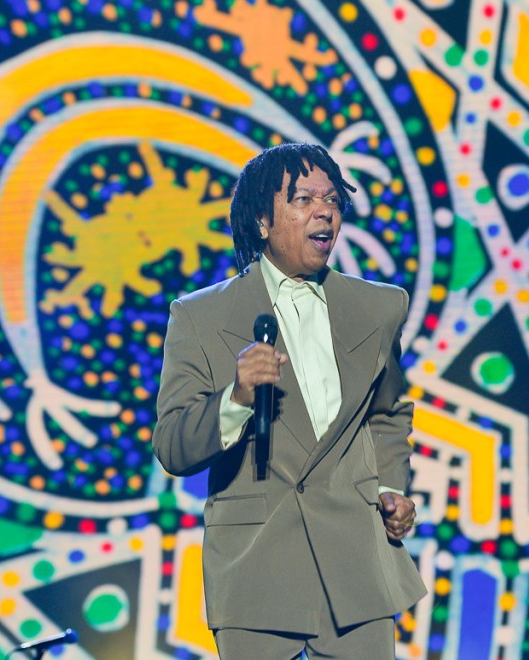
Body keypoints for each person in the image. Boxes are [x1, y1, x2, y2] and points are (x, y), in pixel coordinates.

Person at [153, 143, 426, 659]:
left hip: (356, 568)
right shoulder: (200, 316)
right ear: (262, 221)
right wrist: (236, 398)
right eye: (303, 199)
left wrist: (390, 486)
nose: (324, 212)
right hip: (255, 568)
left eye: (332, 200)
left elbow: (388, 412)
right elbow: (172, 445)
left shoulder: (378, 306)